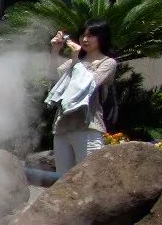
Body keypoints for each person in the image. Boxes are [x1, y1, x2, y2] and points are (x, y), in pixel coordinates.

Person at [47, 20, 119, 175]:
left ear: (102, 37)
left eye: (91, 35)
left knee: (88, 178)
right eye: (83, 35)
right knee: (62, 181)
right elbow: (54, 77)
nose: (85, 39)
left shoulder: (108, 63)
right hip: (62, 127)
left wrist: (75, 58)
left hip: (88, 127)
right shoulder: (75, 61)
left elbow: (89, 83)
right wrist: (55, 50)